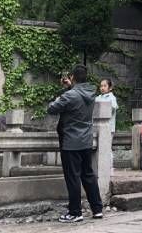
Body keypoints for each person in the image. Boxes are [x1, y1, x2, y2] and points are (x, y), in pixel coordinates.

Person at [47, 65, 103, 223]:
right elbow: (77, 95)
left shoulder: (69, 95)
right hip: (86, 140)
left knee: (73, 177)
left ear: (72, 77)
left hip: (71, 141)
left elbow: (51, 108)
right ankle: (97, 209)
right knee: (88, 175)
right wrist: (70, 87)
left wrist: (65, 90)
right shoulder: (91, 93)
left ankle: (75, 212)